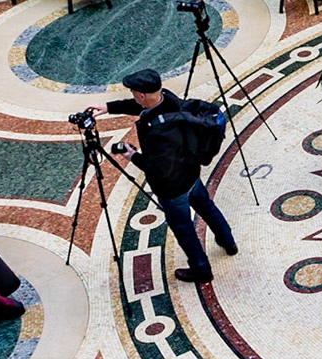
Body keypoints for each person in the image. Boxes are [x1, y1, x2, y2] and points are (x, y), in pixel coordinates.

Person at [90, 69, 236, 284]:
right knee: (207, 208)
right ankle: (228, 242)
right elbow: (140, 106)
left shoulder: (159, 133)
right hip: (192, 174)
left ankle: (201, 270)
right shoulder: (168, 98)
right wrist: (109, 108)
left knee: (184, 229)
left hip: (172, 188)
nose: (133, 95)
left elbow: (158, 169)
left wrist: (132, 156)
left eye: (133, 92)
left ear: (141, 94)